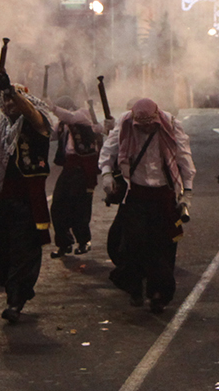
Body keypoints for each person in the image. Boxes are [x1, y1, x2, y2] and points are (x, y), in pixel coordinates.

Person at [100, 98, 196, 313]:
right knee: (133, 245)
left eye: (149, 125)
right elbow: (108, 151)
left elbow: (184, 159)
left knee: (163, 248)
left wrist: (187, 192)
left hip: (164, 195)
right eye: (140, 126)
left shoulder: (172, 124)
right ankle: (135, 288)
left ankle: (159, 295)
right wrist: (106, 174)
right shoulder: (125, 123)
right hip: (136, 195)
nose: (145, 129)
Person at [0, 72, 53, 323]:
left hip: (27, 200)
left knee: (23, 251)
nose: (8, 104)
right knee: (3, 254)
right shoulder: (2, 124)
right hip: (1, 199)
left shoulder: (38, 121)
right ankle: (15, 291)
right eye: (5, 101)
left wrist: (10, 91)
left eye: (12, 100)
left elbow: (30, 113)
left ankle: (15, 301)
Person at [49, 96, 106, 257]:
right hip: (69, 168)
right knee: (57, 205)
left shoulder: (82, 115)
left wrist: (52, 107)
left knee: (80, 207)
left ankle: (83, 241)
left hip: (83, 169)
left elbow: (70, 117)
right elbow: (49, 134)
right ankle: (64, 243)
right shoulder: (62, 124)